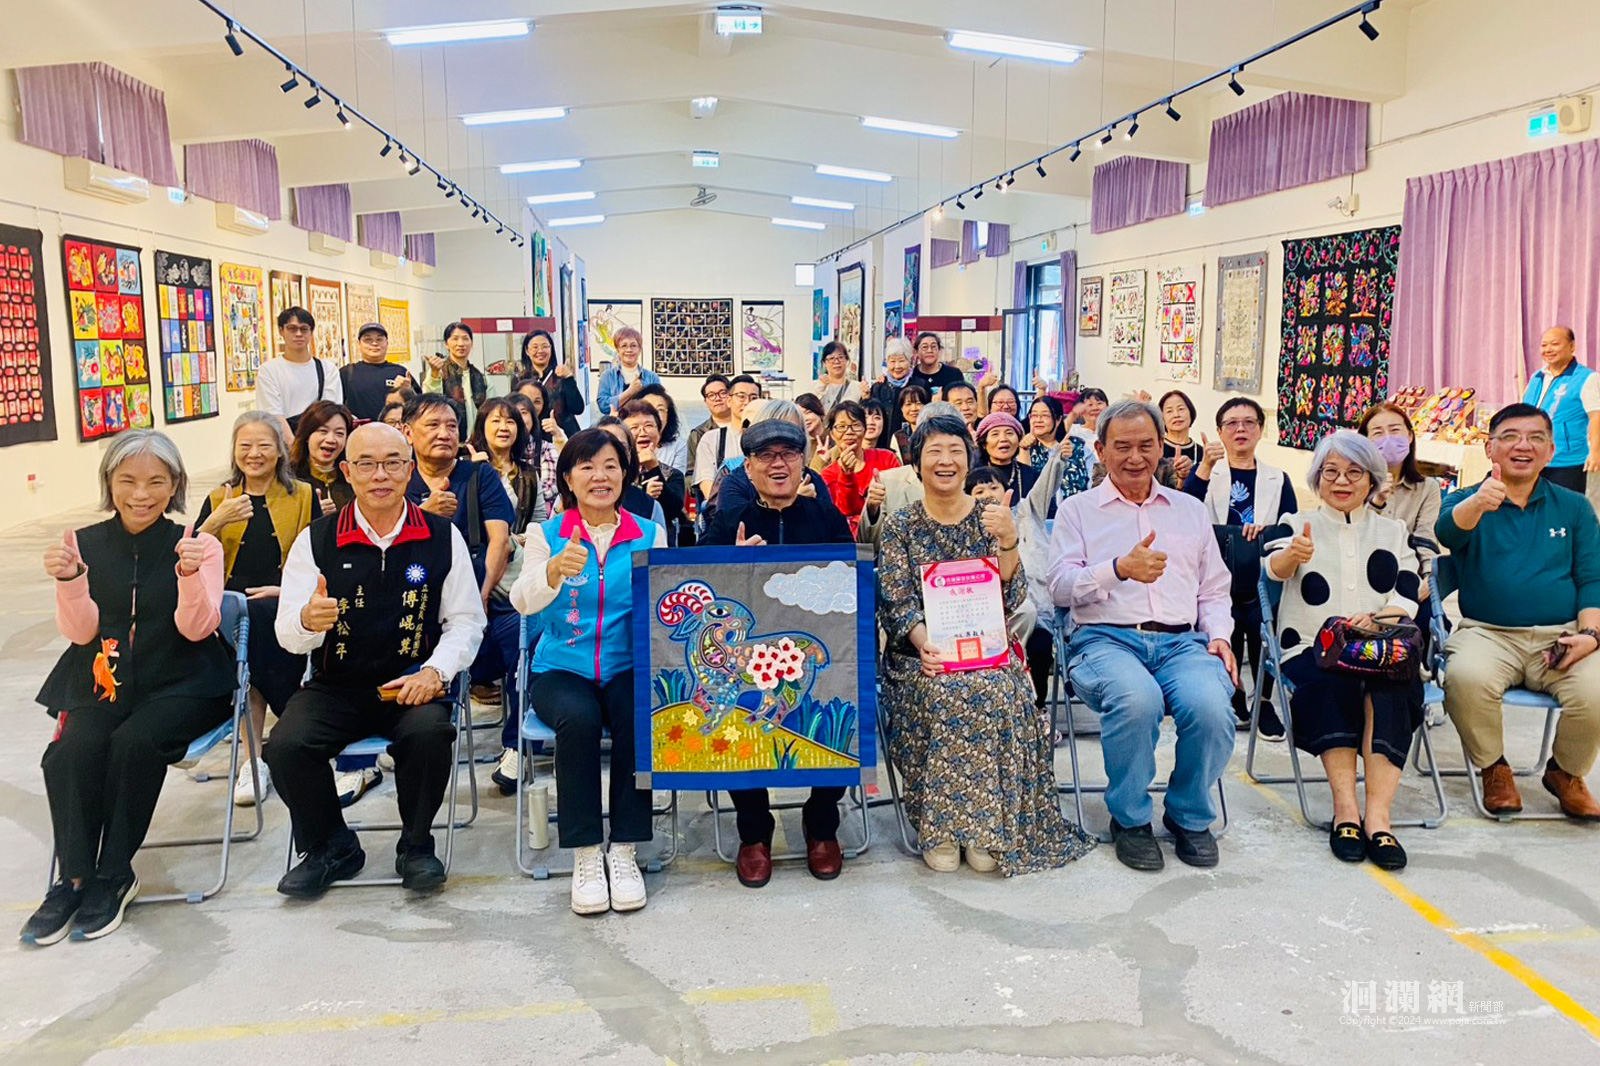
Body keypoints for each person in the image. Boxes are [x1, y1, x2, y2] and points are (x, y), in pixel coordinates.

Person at [24, 431, 234, 945]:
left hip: (183, 680)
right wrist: (71, 581)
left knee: (134, 743)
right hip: (104, 678)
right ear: (109, 483)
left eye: (156, 482)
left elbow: (197, 628)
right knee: (71, 751)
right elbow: (80, 633)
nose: (141, 494)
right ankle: (74, 879)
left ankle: (115, 873)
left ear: (175, 485)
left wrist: (188, 573)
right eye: (128, 481)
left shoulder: (197, 542)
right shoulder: (82, 543)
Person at [267, 423, 485, 898]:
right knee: (285, 745)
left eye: (392, 463)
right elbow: (288, 636)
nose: (380, 475)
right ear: (347, 472)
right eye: (366, 464)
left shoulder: (441, 537)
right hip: (337, 686)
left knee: (429, 734)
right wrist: (307, 619)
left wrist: (435, 672)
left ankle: (417, 845)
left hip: (412, 684)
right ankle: (331, 845)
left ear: (410, 470)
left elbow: (466, 621)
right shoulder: (317, 540)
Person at [878, 413, 1096, 875]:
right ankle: (942, 828)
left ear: (968, 459)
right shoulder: (901, 525)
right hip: (920, 654)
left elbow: (1011, 599)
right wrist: (924, 643)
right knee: (942, 692)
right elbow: (896, 602)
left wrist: (1009, 541)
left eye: (955, 451)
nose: (946, 460)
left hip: (986, 648)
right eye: (934, 451)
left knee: (999, 690)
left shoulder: (991, 518)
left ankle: (984, 828)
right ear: (917, 463)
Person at [1049, 399, 1238, 872]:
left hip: (1181, 643)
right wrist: (1118, 569)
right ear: (1101, 450)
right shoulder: (1077, 511)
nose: (1135, 458)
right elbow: (1060, 588)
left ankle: (1188, 815)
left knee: (1212, 706)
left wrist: (1219, 636)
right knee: (1138, 700)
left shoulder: (1189, 511)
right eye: (1123, 447)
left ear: (1161, 448)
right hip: (1104, 640)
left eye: (1146, 446)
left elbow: (1214, 589)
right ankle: (1130, 819)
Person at [511, 429, 665, 914]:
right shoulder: (546, 534)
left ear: (625, 474)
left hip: (627, 665)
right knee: (577, 719)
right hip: (561, 668)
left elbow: (665, 602)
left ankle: (624, 850)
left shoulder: (649, 533)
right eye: (587, 466)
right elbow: (522, 601)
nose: (600, 476)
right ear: (567, 478)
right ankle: (584, 854)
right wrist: (554, 570)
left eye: (611, 465)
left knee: (638, 714)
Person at [699, 418, 855, 886]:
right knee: (737, 722)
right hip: (750, 659)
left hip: (815, 652)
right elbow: (701, 581)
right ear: (748, 467)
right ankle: (754, 831)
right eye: (766, 456)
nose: (778, 464)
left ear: (804, 462)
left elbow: (853, 582)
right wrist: (730, 560)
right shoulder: (730, 519)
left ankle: (822, 823)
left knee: (841, 705)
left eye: (788, 453)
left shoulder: (826, 517)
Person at [1263, 432, 1424, 869]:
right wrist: (1293, 555)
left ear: (1371, 479)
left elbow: (1409, 588)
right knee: (1331, 684)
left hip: (1379, 647)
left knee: (1393, 690)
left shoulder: (1393, 531)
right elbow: (1273, 569)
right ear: (1317, 478)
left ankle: (1379, 818)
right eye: (1330, 471)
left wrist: (1379, 618)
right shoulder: (1295, 524)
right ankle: (1345, 810)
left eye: (1354, 472)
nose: (1341, 481)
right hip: (1311, 647)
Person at [1435, 403, 1600, 819]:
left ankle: (1566, 773)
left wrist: (1590, 636)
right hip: (1487, 633)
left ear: (1551, 451)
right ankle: (1494, 767)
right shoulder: (1465, 498)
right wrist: (1478, 504)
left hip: (1562, 635)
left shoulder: (1575, 507)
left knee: (1595, 689)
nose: (1522, 446)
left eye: (1535, 438)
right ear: (1489, 448)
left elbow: (1592, 578)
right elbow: (1446, 532)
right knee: (1464, 678)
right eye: (1509, 436)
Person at [194, 412, 315, 806]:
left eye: (264, 445)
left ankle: (257, 758)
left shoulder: (303, 495)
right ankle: (257, 758)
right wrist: (214, 522)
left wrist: (285, 591)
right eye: (244, 445)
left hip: (286, 604)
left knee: (256, 636)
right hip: (230, 610)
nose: (254, 453)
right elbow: (189, 556)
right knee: (248, 628)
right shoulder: (219, 498)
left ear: (280, 451)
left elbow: (318, 560)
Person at [1183, 396, 1296, 731]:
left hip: (1260, 573)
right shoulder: (1208, 472)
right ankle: (1235, 691)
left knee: (1263, 632)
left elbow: (1290, 527)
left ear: (1260, 430)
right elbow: (1186, 509)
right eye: (1231, 423)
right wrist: (1204, 467)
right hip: (1216, 571)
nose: (1241, 429)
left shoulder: (1278, 478)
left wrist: (1268, 530)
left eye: (1249, 422)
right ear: (1220, 431)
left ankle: (1264, 701)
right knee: (1223, 632)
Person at [969, 467, 1055, 712]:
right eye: (979, 491)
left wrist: (1058, 458)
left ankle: (1037, 709)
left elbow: (1046, 484)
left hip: (1032, 617)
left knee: (1039, 644)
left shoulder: (1026, 515)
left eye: (994, 487)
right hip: (984, 621)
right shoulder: (965, 530)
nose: (988, 494)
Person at [1358, 402, 1441, 636]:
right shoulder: (1353, 482)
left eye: (1395, 430)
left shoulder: (1427, 488)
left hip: (1407, 575)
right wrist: (1376, 502)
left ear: (1410, 436)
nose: (1388, 439)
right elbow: (1353, 532)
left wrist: (1428, 577)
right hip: (1361, 574)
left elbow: (1426, 538)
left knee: (1431, 624)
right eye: (1377, 433)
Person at [715, 400, 833, 518]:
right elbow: (734, 526)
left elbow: (832, 525)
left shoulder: (813, 480)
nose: (785, 438)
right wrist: (791, 506)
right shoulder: (736, 483)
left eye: (793, 431)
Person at [1522, 327, 1595, 492]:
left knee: (1564, 506)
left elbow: (1596, 416)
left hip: (1567, 462)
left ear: (1572, 346)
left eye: (1554, 344)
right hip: (1532, 458)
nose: (1548, 349)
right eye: (1544, 345)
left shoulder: (1587, 378)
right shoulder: (1536, 377)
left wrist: (1596, 452)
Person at [255, 307, 344, 430]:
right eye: (292, 329)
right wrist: (294, 442)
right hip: (282, 437)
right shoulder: (269, 370)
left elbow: (331, 412)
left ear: (311, 332)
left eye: (304, 329)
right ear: (281, 331)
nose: (298, 334)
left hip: (318, 436)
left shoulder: (328, 369)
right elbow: (273, 414)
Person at [820, 401, 900, 535]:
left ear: (864, 430)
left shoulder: (887, 458)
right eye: (841, 427)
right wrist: (847, 475)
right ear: (832, 434)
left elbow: (900, 499)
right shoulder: (827, 475)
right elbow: (846, 510)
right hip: (851, 540)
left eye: (856, 426)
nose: (849, 432)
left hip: (887, 534)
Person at [622, 399, 687, 547]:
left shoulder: (672, 474)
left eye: (649, 426)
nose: (643, 432)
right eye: (634, 427)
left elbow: (673, 510)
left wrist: (653, 468)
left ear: (659, 433)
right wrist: (645, 496)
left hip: (659, 545)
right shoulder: (617, 472)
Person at [694, 376, 760, 498]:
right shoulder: (712, 439)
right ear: (729, 400)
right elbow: (708, 488)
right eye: (741, 396)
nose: (747, 402)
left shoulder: (770, 438)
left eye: (754, 398)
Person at [339, 322, 418, 422]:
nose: (374, 343)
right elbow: (337, 407)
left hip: (393, 429)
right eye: (368, 340)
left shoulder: (400, 372)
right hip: (360, 430)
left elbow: (418, 407)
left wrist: (409, 391)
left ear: (387, 343)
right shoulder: (347, 373)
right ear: (359, 345)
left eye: (379, 339)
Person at [290, 400, 356, 516]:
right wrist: (312, 513)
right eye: (323, 431)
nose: (331, 439)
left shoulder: (354, 478)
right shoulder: (288, 478)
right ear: (307, 435)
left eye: (339, 433)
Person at [424, 323, 488, 434]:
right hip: (448, 435)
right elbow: (430, 400)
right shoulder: (439, 371)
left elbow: (490, 407)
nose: (461, 344)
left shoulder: (480, 377)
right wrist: (434, 373)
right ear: (446, 344)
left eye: (465, 339)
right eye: (455, 339)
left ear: (471, 343)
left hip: (477, 437)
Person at [518, 328, 583, 438]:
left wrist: (569, 378)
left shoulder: (561, 375)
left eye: (545, 346)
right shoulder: (520, 379)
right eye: (535, 347)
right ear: (527, 351)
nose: (540, 351)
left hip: (565, 436)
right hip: (533, 437)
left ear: (551, 349)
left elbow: (578, 408)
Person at [596, 326, 660, 417]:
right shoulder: (607, 376)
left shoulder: (652, 377)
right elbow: (603, 406)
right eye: (624, 346)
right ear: (617, 350)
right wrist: (630, 392)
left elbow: (658, 404)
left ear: (640, 350)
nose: (629, 350)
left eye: (633, 345)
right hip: (617, 424)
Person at [975, 412, 1039, 502]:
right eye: (995, 434)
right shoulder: (973, 475)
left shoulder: (1030, 475)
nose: (1003, 439)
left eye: (1009, 433)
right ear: (984, 444)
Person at [631, 382, 689, 475]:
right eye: (648, 409)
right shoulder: (627, 443)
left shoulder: (678, 446)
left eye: (660, 410)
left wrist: (653, 465)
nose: (655, 415)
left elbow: (677, 480)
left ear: (668, 415)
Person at [865, 337, 915, 440]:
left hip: (910, 442)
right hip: (882, 442)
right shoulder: (878, 387)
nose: (897, 366)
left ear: (909, 361)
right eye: (892, 361)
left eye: (901, 361)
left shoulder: (919, 386)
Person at [685, 375, 736, 468]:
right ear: (705, 402)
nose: (717, 398)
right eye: (711, 395)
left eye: (723, 393)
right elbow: (691, 471)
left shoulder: (744, 427)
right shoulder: (698, 434)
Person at [1158, 390, 1201, 483]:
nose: (1176, 415)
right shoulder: (1156, 447)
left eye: (1181, 409)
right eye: (1169, 411)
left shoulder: (1202, 452)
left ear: (1191, 413)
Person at [1021, 396, 1065, 471]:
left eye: (1045, 415)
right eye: (1034, 415)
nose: (1038, 420)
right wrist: (1024, 450)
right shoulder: (1022, 446)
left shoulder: (1072, 446)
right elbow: (1022, 476)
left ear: (1058, 420)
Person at [808, 341, 855, 410]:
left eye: (840, 357)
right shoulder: (815, 386)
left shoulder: (857, 387)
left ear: (847, 360)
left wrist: (866, 396)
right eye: (831, 358)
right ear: (824, 363)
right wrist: (821, 386)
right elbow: (808, 407)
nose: (836, 361)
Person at [891, 385, 929, 459]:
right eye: (908, 404)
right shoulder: (899, 437)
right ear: (902, 409)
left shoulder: (934, 433)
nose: (913, 409)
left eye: (918, 403)